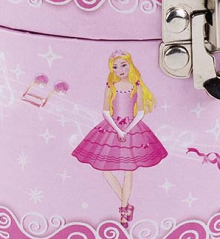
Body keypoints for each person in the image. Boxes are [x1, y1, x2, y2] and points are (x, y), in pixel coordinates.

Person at [71, 51, 168, 228]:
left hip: (132, 128)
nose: (120, 69)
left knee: (128, 171)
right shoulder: (111, 86)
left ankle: (123, 211)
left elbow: (140, 112)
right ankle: (127, 205)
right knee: (105, 170)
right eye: (115, 67)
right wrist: (118, 130)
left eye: (123, 65)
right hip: (112, 127)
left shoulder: (136, 85)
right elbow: (105, 111)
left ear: (130, 65)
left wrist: (127, 130)